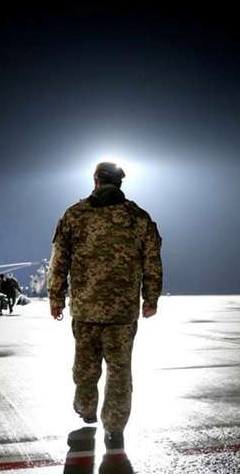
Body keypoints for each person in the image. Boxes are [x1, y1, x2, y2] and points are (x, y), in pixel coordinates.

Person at [48, 161, 163, 449]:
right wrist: (151, 298)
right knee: (119, 371)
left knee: (85, 367)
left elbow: (59, 261)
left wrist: (56, 298)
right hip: (122, 313)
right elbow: (152, 261)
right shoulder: (138, 217)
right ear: (120, 182)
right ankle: (114, 427)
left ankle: (86, 408)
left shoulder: (75, 214)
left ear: (95, 180)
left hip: (85, 310)